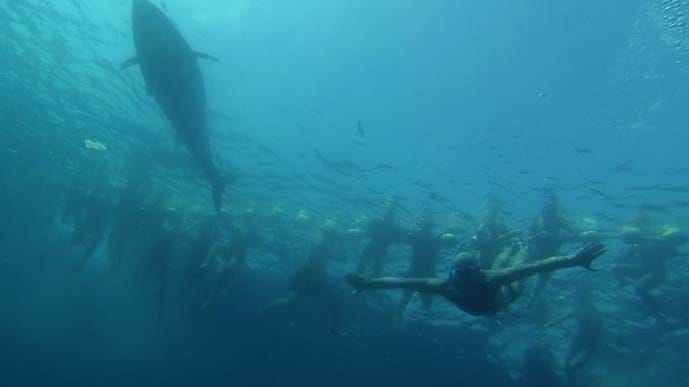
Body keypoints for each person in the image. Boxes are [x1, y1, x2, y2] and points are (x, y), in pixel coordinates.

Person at [347, 243, 606, 316]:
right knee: (505, 266)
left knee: (514, 268)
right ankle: (513, 246)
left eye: (469, 274)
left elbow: (535, 267)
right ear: (453, 274)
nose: (465, 280)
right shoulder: (445, 285)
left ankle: (519, 245)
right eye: (461, 275)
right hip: (489, 301)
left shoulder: (486, 279)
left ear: (476, 272)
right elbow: (401, 282)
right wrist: (368, 284)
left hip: (504, 299)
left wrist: (574, 259)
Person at [259, 222, 345, 335]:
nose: (333, 235)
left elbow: (343, 259)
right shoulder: (318, 240)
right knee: (289, 302)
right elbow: (321, 246)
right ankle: (263, 309)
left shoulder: (327, 244)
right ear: (327, 233)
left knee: (336, 300)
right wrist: (337, 238)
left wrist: (341, 241)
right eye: (332, 233)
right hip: (305, 275)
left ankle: (335, 330)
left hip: (317, 279)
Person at [617, 213, 688, 325]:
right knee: (617, 269)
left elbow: (675, 254)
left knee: (640, 289)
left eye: (641, 224)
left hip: (658, 274)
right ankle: (623, 285)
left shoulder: (660, 239)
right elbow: (628, 256)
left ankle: (659, 316)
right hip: (642, 270)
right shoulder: (637, 242)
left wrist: (660, 244)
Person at [393, 214, 455, 329]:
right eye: (423, 224)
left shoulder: (436, 238)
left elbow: (451, 243)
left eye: (426, 224)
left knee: (425, 302)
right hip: (418, 272)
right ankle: (399, 318)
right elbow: (402, 237)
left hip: (425, 273)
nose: (424, 226)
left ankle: (420, 321)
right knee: (406, 298)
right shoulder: (418, 237)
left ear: (430, 226)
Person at [546, 288, 603, 387]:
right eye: (579, 298)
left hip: (589, 346)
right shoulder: (578, 310)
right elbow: (561, 318)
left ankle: (578, 382)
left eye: (581, 298)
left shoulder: (595, 313)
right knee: (567, 367)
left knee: (571, 367)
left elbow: (598, 334)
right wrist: (547, 325)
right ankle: (575, 383)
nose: (579, 300)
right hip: (577, 340)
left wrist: (596, 347)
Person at [201, 223, 254, 309]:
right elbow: (228, 243)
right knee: (216, 247)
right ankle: (206, 262)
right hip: (229, 253)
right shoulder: (235, 232)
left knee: (227, 269)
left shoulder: (245, 238)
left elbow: (242, 254)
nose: (238, 229)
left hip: (236, 257)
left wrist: (235, 262)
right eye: (238, 228)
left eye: (240, 229)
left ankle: (216, 293)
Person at [355, 201, 406, 277]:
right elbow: (367, 234)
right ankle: (360, 281)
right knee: (363, 267)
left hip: (376, 249)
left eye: (390, 215)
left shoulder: (393, 227)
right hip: (376, 248)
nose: (389, 217)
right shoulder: (378, 223)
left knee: (375, 271)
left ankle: (366, 282)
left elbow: (399, 240)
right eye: (388, 215)